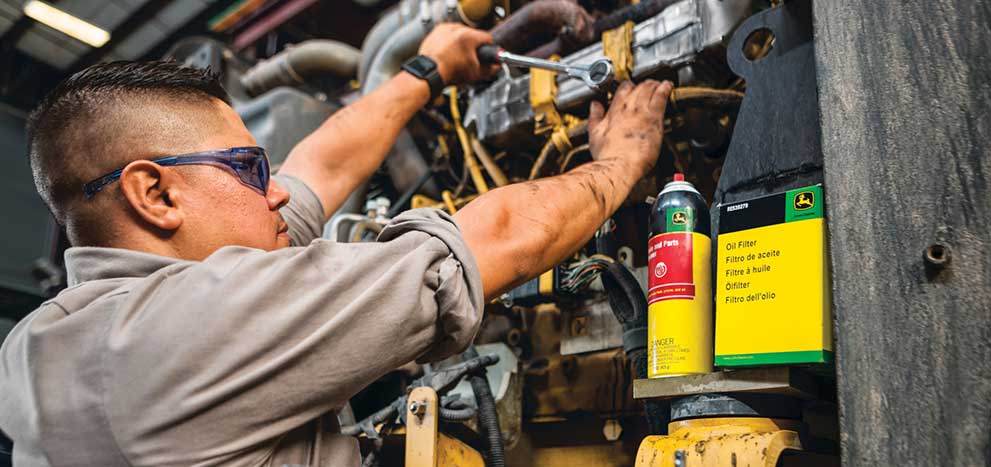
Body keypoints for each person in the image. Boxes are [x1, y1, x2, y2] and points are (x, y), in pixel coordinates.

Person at [0, 24, 673, 466]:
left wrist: (424, 69)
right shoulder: (188, 332)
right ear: (156, 194)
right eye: (248, 169)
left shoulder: (41, 343)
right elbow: (491, 237)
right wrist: (620, 162)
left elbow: (317, 169)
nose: (277, 194)